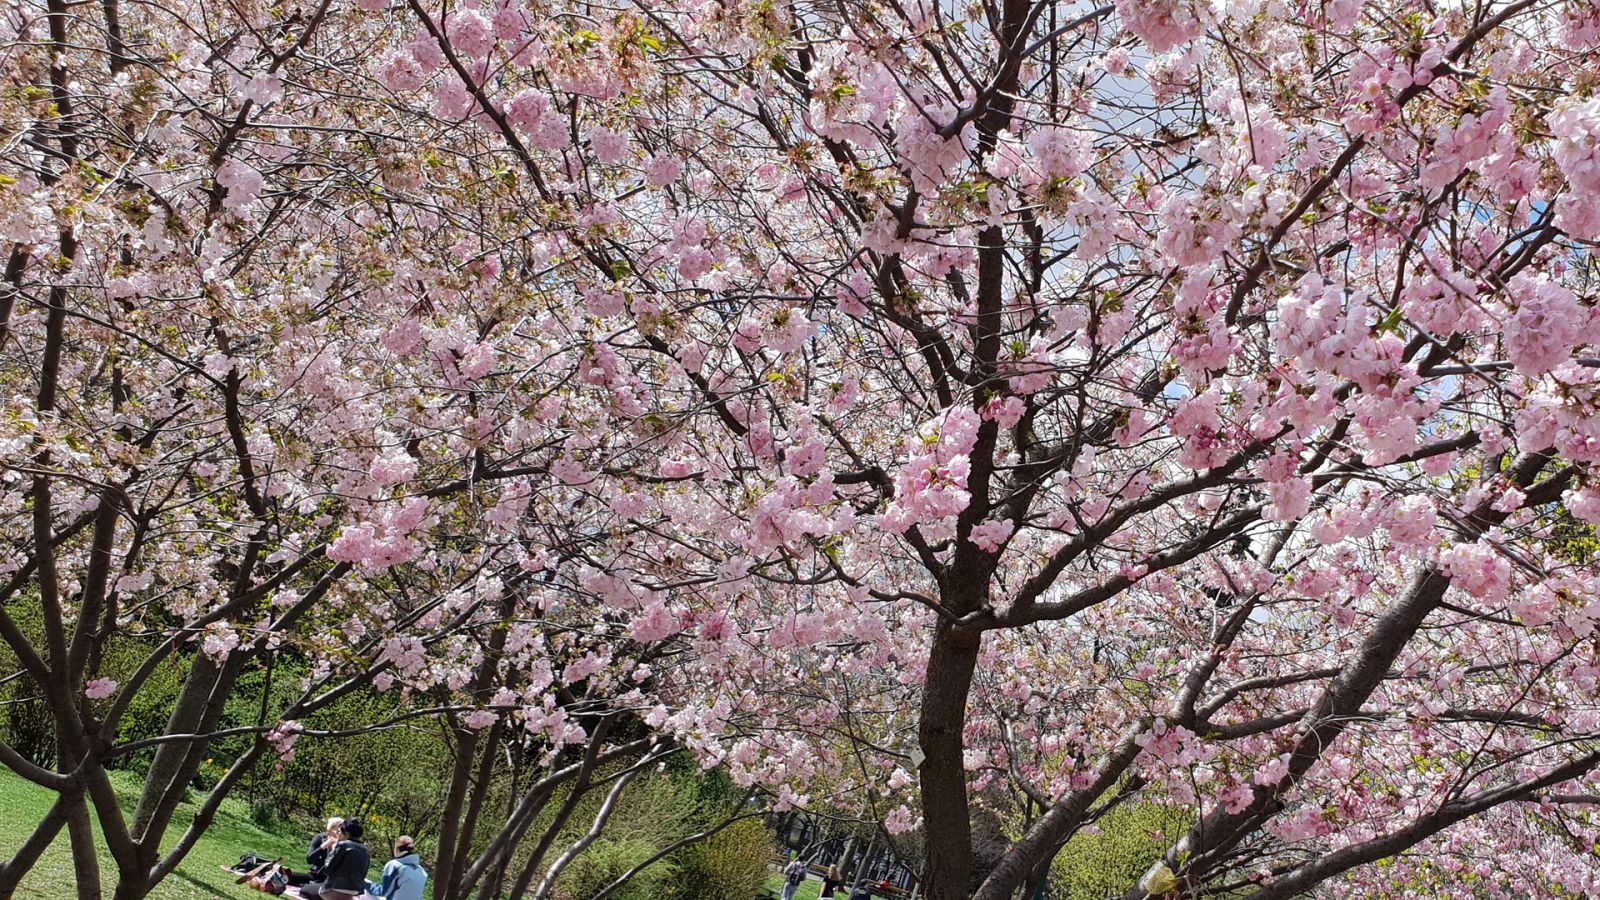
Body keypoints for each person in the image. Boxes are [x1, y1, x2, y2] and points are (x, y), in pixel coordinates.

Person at [286, 817, 342, 898]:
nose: (328, 834)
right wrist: (323, 847)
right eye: (327, 831)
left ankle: (308, 887)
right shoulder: (320, 838)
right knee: (288, 876)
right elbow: (309, 859)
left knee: (307, 889)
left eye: (332, 832)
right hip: (314, 875)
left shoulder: (343, 846)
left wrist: (335, 849)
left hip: (329, 881)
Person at [319, 817, 371, 900]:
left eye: (339, 831)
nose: (337, 834)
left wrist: (331, 850)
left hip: (335, 888)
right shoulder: (366, 850)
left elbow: (327, 869)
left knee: (307, 889)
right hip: (355, 889)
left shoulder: (343, 845)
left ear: (346, 833)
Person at [365, 836, 428, 900]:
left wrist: (364, 883)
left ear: (397, 849)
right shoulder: (421, 871)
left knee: (364, 891)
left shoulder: (394, 865)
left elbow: (384, 892)